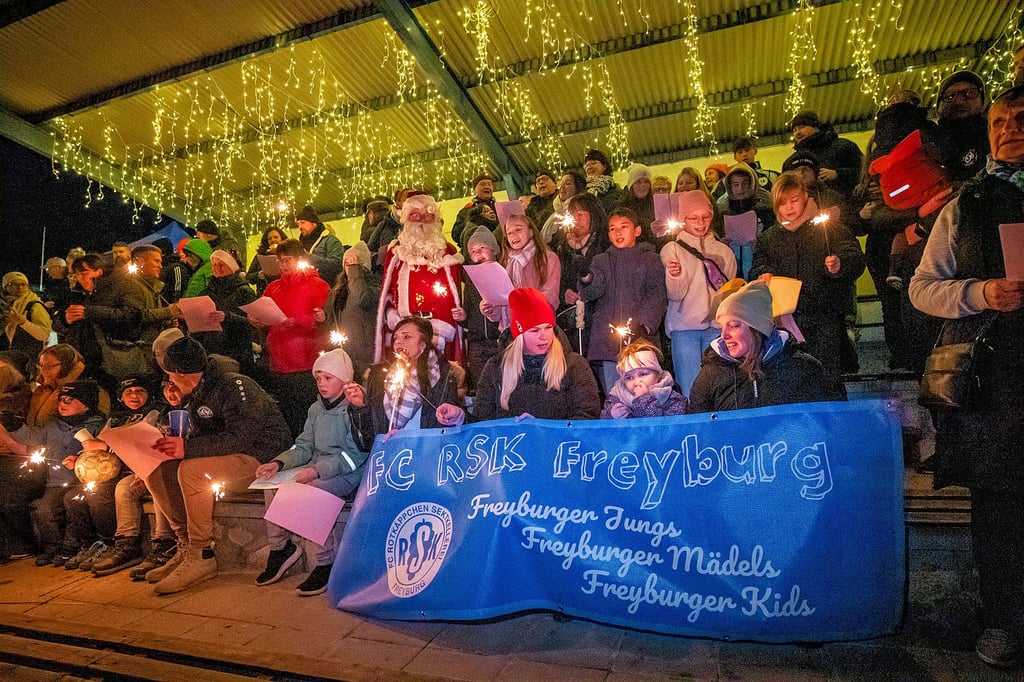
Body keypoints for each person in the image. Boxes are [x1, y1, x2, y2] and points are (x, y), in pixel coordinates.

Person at [908, 84, 1024, 669]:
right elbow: (922, 287)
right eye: (1000, 121)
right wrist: (982, 293)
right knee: (998, 502)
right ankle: (1004, 618)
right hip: (995, 379)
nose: (1009, 130)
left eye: (1021, 119)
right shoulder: (968, 204)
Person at [143, 337, 292, 594]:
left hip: (262, 459)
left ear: (181, 373)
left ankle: (201, 553)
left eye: (170, 375)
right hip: (227, 457)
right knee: (158, 470)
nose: (170, 382)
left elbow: (240, 437)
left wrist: (187, 448)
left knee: (191, 472)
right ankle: (185, 544)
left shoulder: (235, 386)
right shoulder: (195, 393)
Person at [253, 348, 368, 596]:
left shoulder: (354, 408)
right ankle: (280, 548)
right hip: (317, 467)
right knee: (271, 485)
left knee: (309, 493)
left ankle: (324, 563)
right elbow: (303, 445)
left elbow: (355, 455)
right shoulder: (316, 409)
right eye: (318, 378)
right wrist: (279, 464)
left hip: (347, 472)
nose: (322, 383)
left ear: (345, 379)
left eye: (328, 378)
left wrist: (316, 471)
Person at [749, 172, 865, 393]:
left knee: (827, 378)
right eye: (783, 203)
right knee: (792, 380)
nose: (789, 207)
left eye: (794, 200)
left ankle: (832, 413)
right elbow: (758, 264)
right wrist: (763, 274)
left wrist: (839, 264)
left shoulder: (828, 229)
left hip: (825, 317)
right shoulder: (769, 237)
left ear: (805, 196)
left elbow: (855, 258)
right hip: (786, 321)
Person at [0, 380, 108, 567]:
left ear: (86, 404)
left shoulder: (96, 426)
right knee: (43, 508)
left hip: (81, 481)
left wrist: (79, 459)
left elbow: (100, 453)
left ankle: (71, 547)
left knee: (72, 503)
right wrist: (14, 425)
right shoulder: (51, 425)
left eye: (69, 400)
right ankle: (53, 546)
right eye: (61, 399)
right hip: (56, 482)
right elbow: (32, 437)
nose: (62, 404)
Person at [688, 281, 837, 412]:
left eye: (733, 326)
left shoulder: (803, 368)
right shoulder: (711, 374)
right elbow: (697, 428)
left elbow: (827, 422)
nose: (724, 335)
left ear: (757, 328)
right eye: (722, 327)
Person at [473, 287, 600, 421]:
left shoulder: (574, 365)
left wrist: (541, 429)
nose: (544, 336)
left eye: (548, 327)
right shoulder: (496, 368)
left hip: (560, 436)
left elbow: (587, 415)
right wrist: (461, 417)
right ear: (520, 335)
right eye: (535, 330)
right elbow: (481, 420)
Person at [578, 208, 666, 393]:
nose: (617, 232)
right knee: (615, 394)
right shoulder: (601, 261)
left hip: (640, 340)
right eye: (612, 229)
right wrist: (586, 276)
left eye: (623, 227)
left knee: (643, 392)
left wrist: (643, 325)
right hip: (608, 341)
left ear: (637, 231)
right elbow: (593, 291)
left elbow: (656, 294)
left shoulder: (650, 259)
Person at [660, 190, 737, 397]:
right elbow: (675, 295)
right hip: (684, 328)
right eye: (693, 218)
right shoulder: (672, 249)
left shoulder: (724, 252)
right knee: (690, 387)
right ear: (683, 219)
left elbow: (728, 293)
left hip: (716, 327)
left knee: (717, 384)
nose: (701, 223)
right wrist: (674, 276)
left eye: (705, 216)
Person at [251, 239, 329, 438]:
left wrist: (297, 321)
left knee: (307, 415)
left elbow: (324, 318)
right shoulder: (273, 288)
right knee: (287, 415)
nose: (284, 265)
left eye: (288, 260)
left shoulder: (317, 285)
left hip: (306, 362)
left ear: (300, 259)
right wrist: (257, 320)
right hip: (279, 362)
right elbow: (264, 314)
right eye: (281, 261)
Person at [375, 193, 464, 364]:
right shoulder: (396, 253)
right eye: (416, 215)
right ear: (406, 218)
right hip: (405, 327)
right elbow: (388, 291)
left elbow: (455, 296)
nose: (422, 221)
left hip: (441, 332)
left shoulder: (448, 252)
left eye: (428, 216)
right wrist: (392, 316)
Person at [350, 316, 465, 435]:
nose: (398, 342)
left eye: (407, 337)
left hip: (429, 445)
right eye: (395, 338)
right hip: (391, 446)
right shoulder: (380, 376)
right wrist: (361, 406)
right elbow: (369, 437)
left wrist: (455, 416)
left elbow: (455, 427)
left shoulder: (445, 376)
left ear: (422, 345)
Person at [550, 193, 609, 355]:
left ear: (594, 215)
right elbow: (557, 281)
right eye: (572, 215)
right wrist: (564, 294)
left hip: (602, 320)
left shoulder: (606, 245)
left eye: (581, 215)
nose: (576, 220)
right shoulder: (562, 248)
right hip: (573, 322)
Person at [482, 213, 560, 331]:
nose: (514, 235)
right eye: (509, 233)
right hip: (510, 331)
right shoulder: (505, 263)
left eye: (518, 229)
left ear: (531, 232)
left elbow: (551, 298)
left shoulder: (548, 258)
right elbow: (500, 309)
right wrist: (490, 308)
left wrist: (521, 302)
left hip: (538, 329)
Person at [318, 241, 380, 382]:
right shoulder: (339, 289)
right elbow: (334, 318)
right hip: (346, 353)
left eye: (354, 263)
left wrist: (355, 273)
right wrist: (323, 317)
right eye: (347, 263)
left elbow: (362, 298)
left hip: (366, 355)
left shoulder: (374, 284)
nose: (349, 267)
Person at [193, 249, 256, 376]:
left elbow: (253, 323)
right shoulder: (206, 292)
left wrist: (227, 317)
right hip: (212, 351)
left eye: (221, 265)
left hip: (237, 352)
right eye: (214, 265)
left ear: (231, 266)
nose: (217, 268)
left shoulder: (244, 291)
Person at [453, 227, 502, 392]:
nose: (478, 253)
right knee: (483, 387)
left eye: (482, 248)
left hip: (499, 341)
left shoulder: (504, 272)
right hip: (477, 344)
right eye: (473, 251)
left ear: (494, 249)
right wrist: (462, 317)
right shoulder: (470, 280)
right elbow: (468, 312)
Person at [0, 362, 36, 563]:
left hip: (17, 458)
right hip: (10, 455)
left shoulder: (14, 401)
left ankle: (21, 544)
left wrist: (12, 445)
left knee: (10, 501)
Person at [601, 339, 686, 419]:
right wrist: (611, 415)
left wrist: (643, 400)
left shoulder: (671, 397)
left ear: (657, 375)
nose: (636, 382)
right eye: (629, 377)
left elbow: (660, 426)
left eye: (643, 374)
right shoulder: (617, 396)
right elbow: (603, 423)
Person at [789, 110, 865, 199]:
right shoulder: (793, 160)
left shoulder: (843, 146)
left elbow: (864, 171)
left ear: (816, 128)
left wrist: (838, 174)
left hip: (848, 202)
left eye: (802, 127)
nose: (797, 133)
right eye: (794, 130)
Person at [935, 70, 989, 185]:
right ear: (940, 105)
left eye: (969, 93)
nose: (959, 100)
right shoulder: (931, 140)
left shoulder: (995, 134)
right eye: (950, 96)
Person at [2, 271, 52, 373]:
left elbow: (44, 334)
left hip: (26, 362)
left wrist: (23, 322)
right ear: (5, 286)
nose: (19, 287)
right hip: (6, 358)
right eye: (14, 284)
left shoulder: (34, 305)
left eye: (23, 284)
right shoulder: (4, 305)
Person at [294, 205, 345, 285]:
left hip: (326, 286)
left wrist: (309, 258)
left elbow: (338, 265)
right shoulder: (300, 244)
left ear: (314, 223)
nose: (300, 227)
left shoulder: (330, 240)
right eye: (298, 224)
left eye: (303, 223)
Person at [540, 171, 587, 244]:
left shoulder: (581, 212)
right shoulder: (551, 211)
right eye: (561, 183)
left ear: (578, 188)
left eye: (567, 183)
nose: (562, 187)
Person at [452, 174, 497, 248]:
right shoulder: (466, 211)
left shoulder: (499, 209)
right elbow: (456, 235)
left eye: (490, 184)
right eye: (482, 184)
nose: (487, 186)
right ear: (474, 189)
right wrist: (474, 220)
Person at [617, 163, 656, 240]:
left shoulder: (656, 205)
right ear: (631, 185)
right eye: (638, 182)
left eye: (646, 181)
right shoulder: (621, 208)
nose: (643, 185)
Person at [246, 226, 288, 296]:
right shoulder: (260, 256)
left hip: (284, 293)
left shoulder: (288, 254)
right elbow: (248, 276)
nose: (273, 240)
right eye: (269, 238)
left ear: (282, 238)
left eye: (276, 237)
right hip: (264, 293)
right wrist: (258, 275)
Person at [583, 148, 622, 213]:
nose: (589, 167)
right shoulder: (581, 190)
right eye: (587, 165)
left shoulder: (613, 189)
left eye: (593, 163)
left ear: (604, 166)